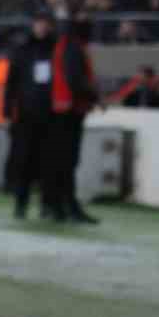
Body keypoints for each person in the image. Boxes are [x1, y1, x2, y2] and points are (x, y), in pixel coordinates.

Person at [6, 13, 61, 220]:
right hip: (26, 115)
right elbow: (12, 82)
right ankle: (21, 203)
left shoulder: (56, 49)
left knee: (49, 163)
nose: (42, 27)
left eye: (45, 24)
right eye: (39, 23)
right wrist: (8, 111)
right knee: (24, 162)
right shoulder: (22, 50)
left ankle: (47, 204)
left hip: (51, 115)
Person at [53, 16, 100, 223]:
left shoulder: (65, 45)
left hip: (63, 109)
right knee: (68, 161)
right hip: (70, 111)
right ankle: (68, 205)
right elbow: (76, 80)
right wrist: (94, 97)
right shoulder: (74, 48)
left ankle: (59, 205)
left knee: (63, 161)